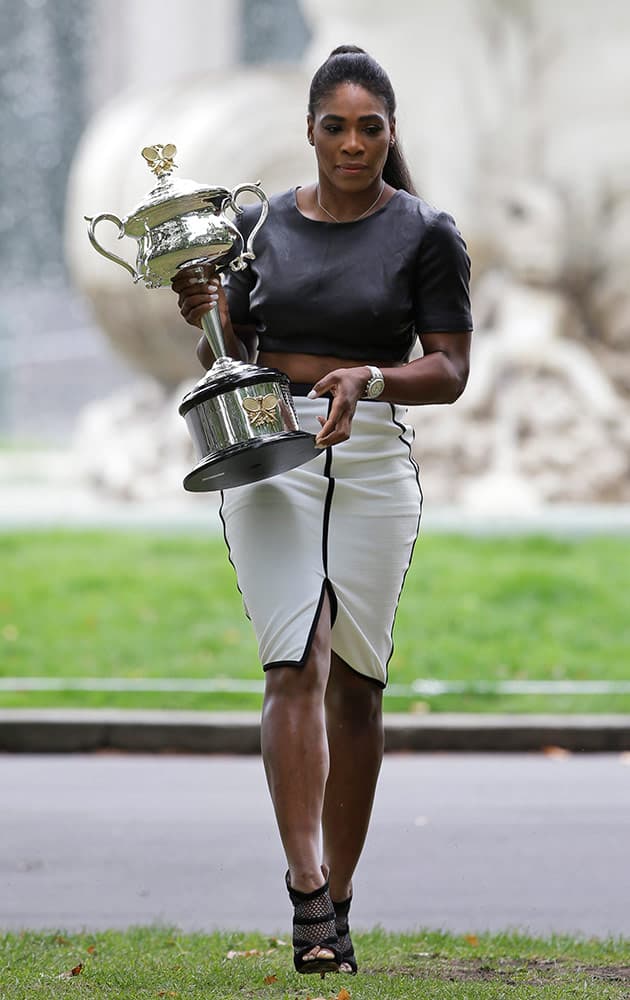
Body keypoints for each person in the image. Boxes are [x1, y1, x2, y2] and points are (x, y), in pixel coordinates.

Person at [172, 45, 473, 978]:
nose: (352, 143)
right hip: (271, 444)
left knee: (358, 680)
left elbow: (452, 370)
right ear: (309, 131)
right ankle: (306, 891)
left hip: (375, 451)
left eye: (370, 127)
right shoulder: (257, 226)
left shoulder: (427, 234)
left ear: (390, 133)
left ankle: (340, 898)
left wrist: (370, 375)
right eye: (335, 126)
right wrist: (207, 314)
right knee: (293, 653)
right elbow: (237, 344)